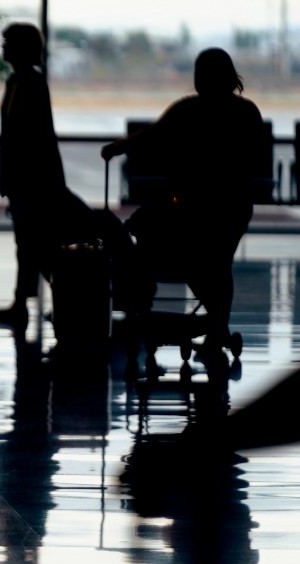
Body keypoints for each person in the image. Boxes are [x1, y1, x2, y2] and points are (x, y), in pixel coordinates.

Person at [101, 47, 266, 354]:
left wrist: (119, 147)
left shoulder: (188, 109)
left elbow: (152, 135)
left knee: (195, 262)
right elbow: (250, 161)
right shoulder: (246, 112)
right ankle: (217, 329)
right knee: (217, 265)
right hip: (232, 206)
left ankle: (213, 326)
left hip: (192, 205)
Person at [0, 22, 69, 331]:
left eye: (8, 42)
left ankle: (42, 302)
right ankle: (39, 302)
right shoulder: (20, 81)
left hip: (33, 181)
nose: (3, 47)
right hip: (27, 180)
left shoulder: (29, 84)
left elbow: (33, 139)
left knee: (35, 246)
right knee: (31, 245)